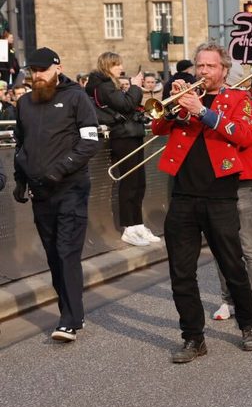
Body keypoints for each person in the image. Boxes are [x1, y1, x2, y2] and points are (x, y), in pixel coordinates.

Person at [152, 41, 252, 363]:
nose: (202, 72)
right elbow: (157, 126)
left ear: (224, 70)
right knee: (181, 272)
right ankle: (193, 337)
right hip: (183, 195)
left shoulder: (240, 99)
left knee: (232, 266)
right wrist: (172, 104)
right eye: (199, 66)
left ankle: (248, 325)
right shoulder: (185, 99)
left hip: (220, 195)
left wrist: (202, 111)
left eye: (209, 66)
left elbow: (245, 135)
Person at [13, 47, 100, 342]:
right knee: (53, 256)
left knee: (67, 252)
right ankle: (71, 312)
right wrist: (19, 179)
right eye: (33, 71)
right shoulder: (24, 102)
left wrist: (61, 169)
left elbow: (90, 142)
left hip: (71, 188)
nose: (37, 75)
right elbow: (21, 145)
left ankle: (70, 320)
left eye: (42, 70)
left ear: (57, 68)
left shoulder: (77, 98)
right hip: (40, 192)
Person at [212, 64, 252, 328]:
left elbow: (245, 138)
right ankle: (229, 299)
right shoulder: (213, 104)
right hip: (216, 182)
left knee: (249, 247)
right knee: (221, 247)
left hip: (243, 181)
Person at [87, 52, 160, 247]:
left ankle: (137, 224)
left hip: (131, 134)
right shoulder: (104, 86)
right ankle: (129, 227)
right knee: (129, 183)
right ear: (108, 66)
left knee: (139, 182)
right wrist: (136, 86)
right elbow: (126, 104)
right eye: (117, 64)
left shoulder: (108, 85)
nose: (121, 67)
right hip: (123, 137)